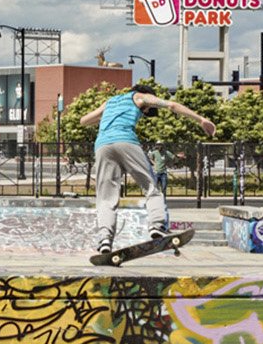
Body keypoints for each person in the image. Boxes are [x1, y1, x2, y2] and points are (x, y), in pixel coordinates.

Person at [79, 82, 215, 255]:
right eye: (145, 111)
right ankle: (157, 226)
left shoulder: (110, 102)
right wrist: (201, 119)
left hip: (102, 146)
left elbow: (84, 121)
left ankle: (105, 239)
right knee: (151, 188)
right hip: (126, 142)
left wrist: (108, 117)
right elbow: (172, 105)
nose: (144, 113)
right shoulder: (140, 96)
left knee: (106, 198)